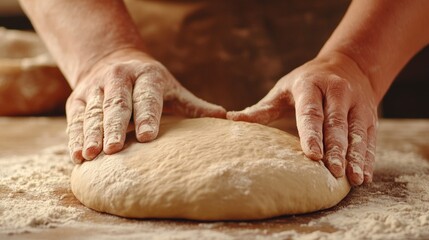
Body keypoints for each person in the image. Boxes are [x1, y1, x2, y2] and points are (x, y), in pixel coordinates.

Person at [18, 0, 429, 186]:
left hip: (349, 41)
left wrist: (356, 60)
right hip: (138, 46)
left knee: (334, 133)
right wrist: (102, 52)